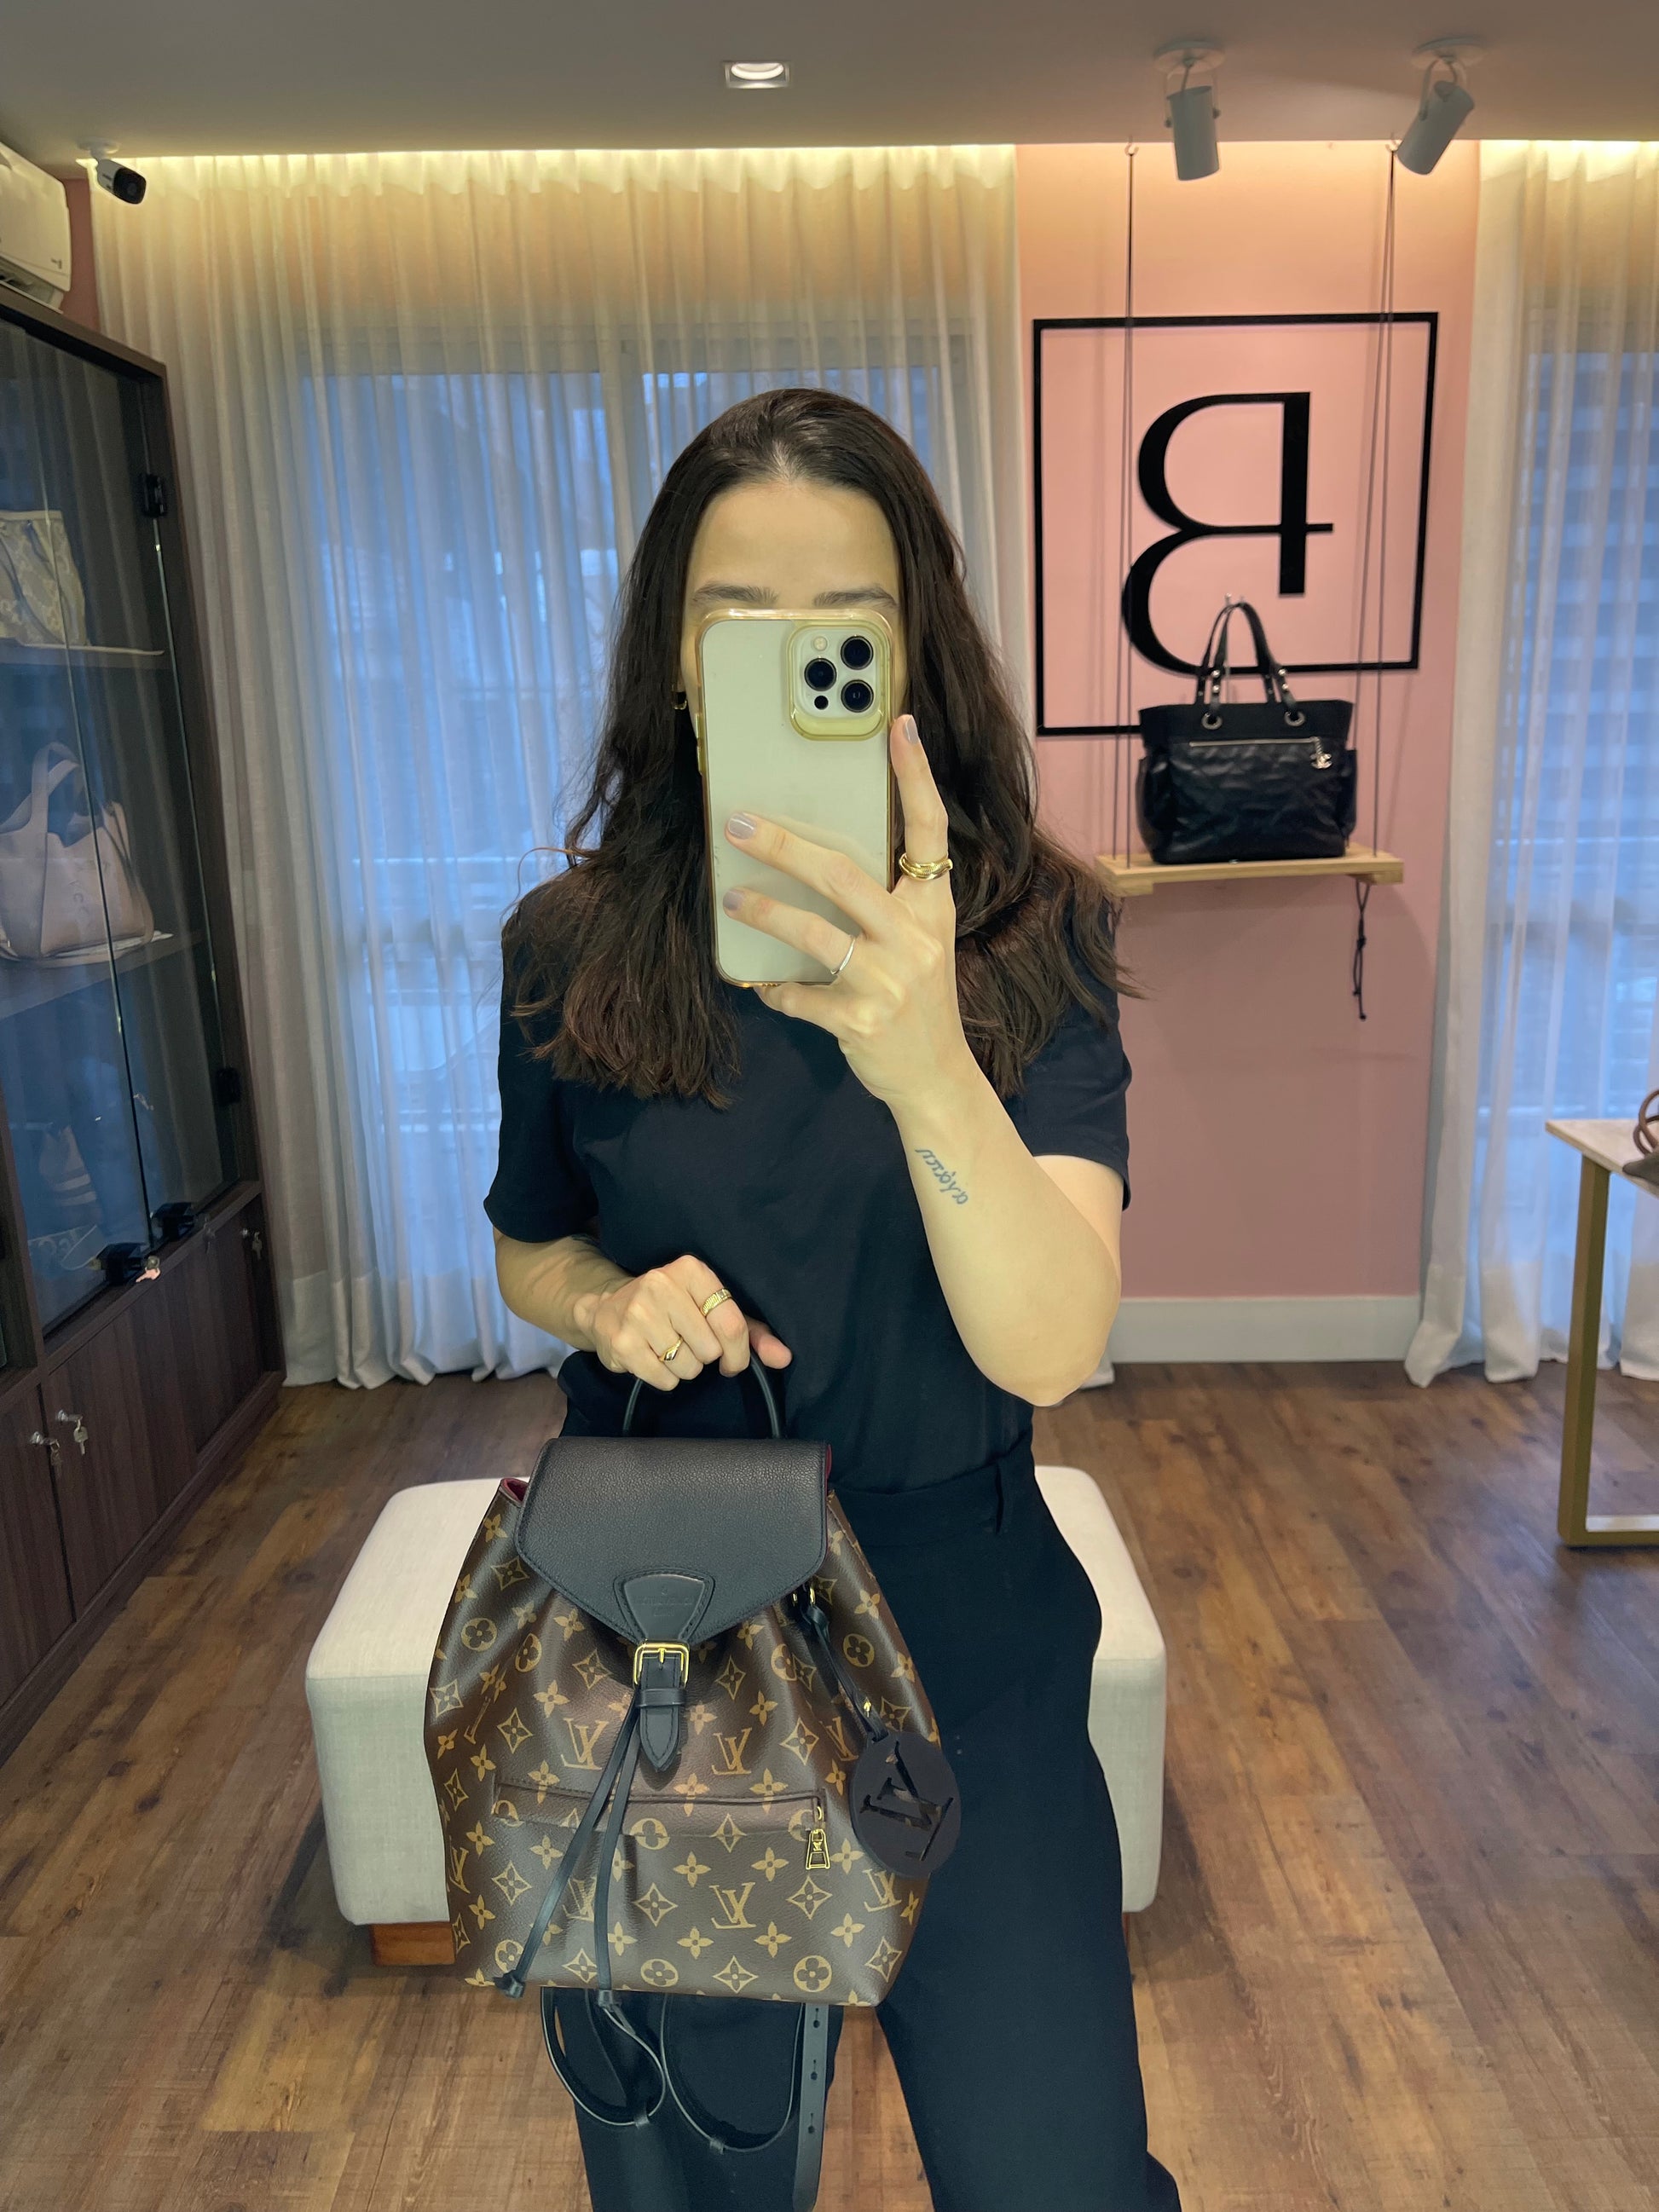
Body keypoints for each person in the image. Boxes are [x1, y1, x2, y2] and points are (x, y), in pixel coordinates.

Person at [484, 385, 1182, 2212]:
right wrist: (606, 1307)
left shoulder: (1029, 938)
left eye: (842, 625)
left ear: (908, 652)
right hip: (673, 1621)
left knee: (1056, 2177)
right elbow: (528, 1244)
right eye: (737, 618)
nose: (790, 658)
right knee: (697, 2175)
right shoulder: (566, 946)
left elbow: (1054, 1341)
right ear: (675, 655)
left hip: (962, 1620)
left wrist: (927, 1060)